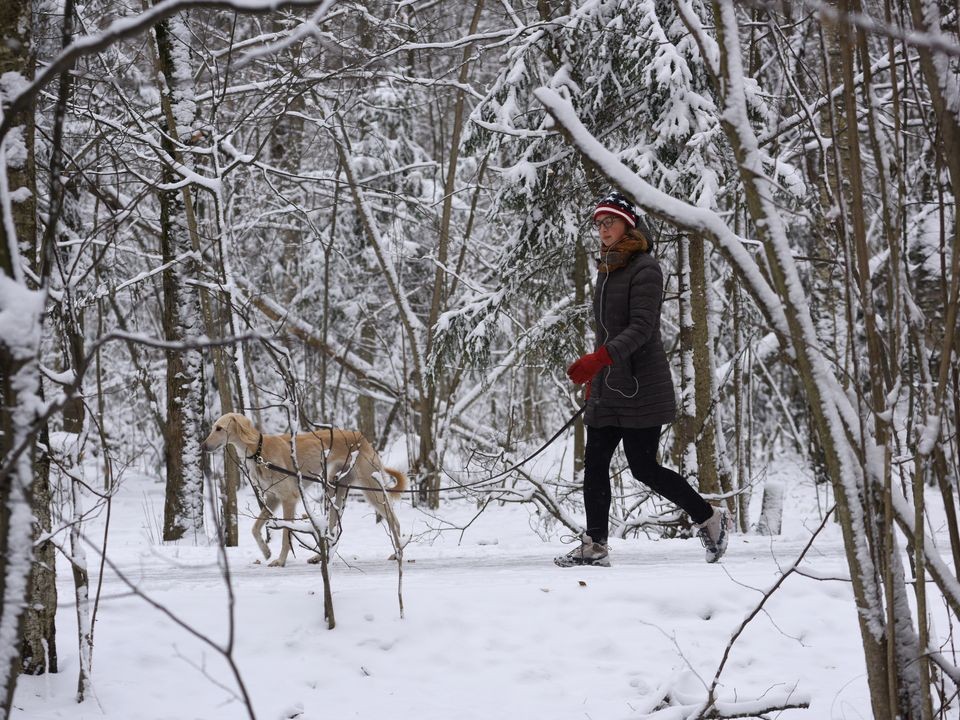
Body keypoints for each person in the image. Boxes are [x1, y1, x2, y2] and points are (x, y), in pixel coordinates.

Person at [555, 190, 730, 568]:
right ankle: (595, 543)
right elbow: (608, 330)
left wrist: (598, 360)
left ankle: (709, 518)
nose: (603, 230)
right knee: (597, 460)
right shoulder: (606, 266)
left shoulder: (645, 267)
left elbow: (641, 328)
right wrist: (596, 371)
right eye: (599, 224)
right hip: (608, 383)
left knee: (643, 467)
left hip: (641, 385)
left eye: (610, 222)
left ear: (628, 224)